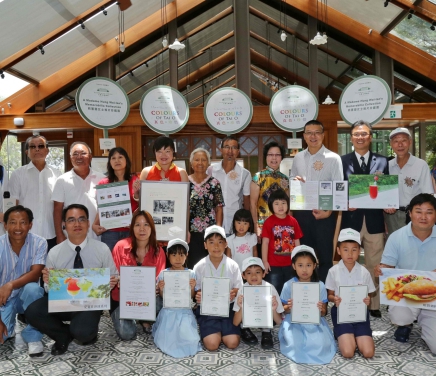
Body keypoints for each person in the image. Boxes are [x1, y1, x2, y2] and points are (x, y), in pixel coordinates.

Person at [25, 204, 118, 356]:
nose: (77, 224)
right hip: (62, 302)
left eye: (81, 219)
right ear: (64, 225)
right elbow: (48, 289)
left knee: (83, 333)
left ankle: (83, 329)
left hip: (89, 303)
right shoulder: (54, 252)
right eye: (71, 220)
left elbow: (114, 276)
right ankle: (62, 334)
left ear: (88, 223)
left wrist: (110, 282)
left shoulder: (102, 249)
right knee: (33, 311)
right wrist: (49, 281)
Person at [375, 193, 436, 353]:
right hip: (407, 296)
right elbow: (387, 267)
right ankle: (406, 324)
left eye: (429, 212)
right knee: (399, 316)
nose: (423, 217)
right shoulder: (396, 237)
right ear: (410, 213)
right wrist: (382, 270)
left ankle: (426, 321)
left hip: (434, 299)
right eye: (418, 211)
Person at [341, 120, 389, 318]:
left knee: (374, 263)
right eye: (356, 134)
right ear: (351, 137)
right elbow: (338, 189)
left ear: (370, 137)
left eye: (364, 134)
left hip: (374, 220)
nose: (360, 137)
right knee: (348, 261)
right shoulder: (342, 161)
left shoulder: (383, 161)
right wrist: (345, 202)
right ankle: (347, 300)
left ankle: (374, 304)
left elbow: (386, 190)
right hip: (350, 219)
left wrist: (388, 202)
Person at [291, 120, 344, 282]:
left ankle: (323, 300)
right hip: (302, 215)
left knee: (325, 257)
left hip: (324, 215)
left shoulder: (334, 158)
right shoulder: (298, 157)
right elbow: (293, 184)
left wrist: (328, 211)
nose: (313, 136)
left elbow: (339, 188)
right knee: (304, 257)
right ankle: (306, 296)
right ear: (304, 136)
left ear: (323, 135)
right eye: (309, 132)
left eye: (317, 132)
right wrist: (296, 181)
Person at [111, 210, 166, 337]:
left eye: (146, 225)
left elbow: (159, 279)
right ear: (132, 227)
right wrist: (118, 280)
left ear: (152, 228)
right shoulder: (120, 247)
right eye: (137, 225)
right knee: (127, 334)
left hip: (147, 299)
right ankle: (139, 318)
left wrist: (157, 286)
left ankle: (145, 319)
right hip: (122, 299)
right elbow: (112, 274)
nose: (142, 229)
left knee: (164, 302)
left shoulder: (158, 251)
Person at [0, 205, 46, 357]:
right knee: (3, 334)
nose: (18, 227)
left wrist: (11, 284)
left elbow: (36, 273)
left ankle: (33, 337)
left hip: (26, 295)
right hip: (2, 299)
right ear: (5, 225)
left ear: (30, 225)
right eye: (13, 222)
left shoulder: (40, 243)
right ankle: (9, 327)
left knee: (34, 289)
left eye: (23, 222)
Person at [279, 245, 336, 364]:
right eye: (300, 265)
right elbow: (283, 310)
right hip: (293, 321)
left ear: (314, 266)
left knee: (320, 344)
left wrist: (321, 309)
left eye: (308, 265)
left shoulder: (320, 285)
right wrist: (289, 307)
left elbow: (324, 312)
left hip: (314, 321)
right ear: (294, 266)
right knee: (295, 343)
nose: (304, 270)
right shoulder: (288, 285)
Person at [325, 228, 375, 359]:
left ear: (359, 251)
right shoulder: (333, 271)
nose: (350, 254)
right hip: (342, 314)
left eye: (354, 249)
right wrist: (334, 299)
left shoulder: (364, 272)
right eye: (345, 249)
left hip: (360, 315)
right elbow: (329, 295)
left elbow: (368, 294)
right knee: (348, 353)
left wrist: (367, 300)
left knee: (369, 353)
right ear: (339, 251)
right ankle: (342, 333)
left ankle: (355, 336)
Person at [194, 225, 243, 351]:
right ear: (205, 245)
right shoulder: (199, 266)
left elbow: (239, 288)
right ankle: (214, 331)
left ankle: (223, 331)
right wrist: (198, 295)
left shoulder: (233, 265)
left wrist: (234, 293)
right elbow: (196, 290)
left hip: (228, 309)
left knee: (232, 343)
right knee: (212, 345)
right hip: (208, 311)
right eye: (211, 242)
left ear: (226, 244)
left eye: (220, 242)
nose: (216, 246)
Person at [8, 135, 61, 251]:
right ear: (27, 152)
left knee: (49, 269)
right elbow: (12, 206)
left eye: (41, 146)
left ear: (47, 151)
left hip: (51, 234)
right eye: (33, 147)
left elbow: (60, 206)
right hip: (26, 235)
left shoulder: (57, 174)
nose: (37, 149)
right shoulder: (18, 174)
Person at [152, 238, 201, 358]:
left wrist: (192, 287)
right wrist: (161, 288)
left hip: (184, 310)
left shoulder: (191, 273)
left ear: (186, 255)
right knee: (168, 338)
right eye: (174, 255)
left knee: (188, 338)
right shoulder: (164, 274)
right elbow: (164, 297)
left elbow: (192, 297)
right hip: (169, 310)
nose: (178, 259)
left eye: (181, 255)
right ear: (168, 255)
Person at [52, 142, 105, 243]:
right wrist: (59, 235)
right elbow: (57, 210)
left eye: (83, 153)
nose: (79, 157)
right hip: (70, 237)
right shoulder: (62, 180)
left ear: (90, 157)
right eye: (75, 154)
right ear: (70, 157)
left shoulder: (102, 179)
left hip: (97, 236)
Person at [384, 127, 433, 235]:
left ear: (410, 142)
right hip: (391, 216)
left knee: (415, 246)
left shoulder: (421, 165)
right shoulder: (387, 166)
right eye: (396, 141)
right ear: (391, 144)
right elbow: (381, 192)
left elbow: (427, 195)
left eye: (403, 140)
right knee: (395, 245)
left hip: (414, 215)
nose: (400, 144)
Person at [92, 147, 140, 251]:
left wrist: (137, 193)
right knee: (110, 263)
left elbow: (142, 206)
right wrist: (95, 225)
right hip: (110, 232)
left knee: (129, 262)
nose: (117, 160)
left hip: (131, 230)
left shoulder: (136, 180)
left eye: (120, 157)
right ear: (109, 162)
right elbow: (102, 208)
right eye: (113, 158)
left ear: (126, 160)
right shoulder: (103, 183)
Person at [233, 257, 284, 349]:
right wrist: (241, 307)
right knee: (241, 311)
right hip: (247, 318)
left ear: (264, 273)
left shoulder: (270, 288)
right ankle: (244, 329)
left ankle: (266, 331)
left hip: (264, 318)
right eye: (249, 273)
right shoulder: (242, 290)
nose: (253, 276)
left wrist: (273, 310)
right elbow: (235, 322)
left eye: (257, 272)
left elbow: (279, 321)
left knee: (270, 310)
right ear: (243, 276)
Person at [188, 148, 224, 269]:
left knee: (209, 266)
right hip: (190, 233)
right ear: (191, 163)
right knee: (192, 264)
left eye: (204, 160)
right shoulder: (185, 182)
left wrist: (217, 231)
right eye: (197, 159)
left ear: (208, 163)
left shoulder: (214, 183)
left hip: (209, 233)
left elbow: (219, 208)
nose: (200, 163)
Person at [207, 136, 251, 235]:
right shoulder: (211, 171)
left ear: (238, 151)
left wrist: (246, 222)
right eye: (227, 147)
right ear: (221, 150)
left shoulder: (245, 174)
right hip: (214, 222)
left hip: (236, 224)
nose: (230, 151)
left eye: (234, 147)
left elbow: (246, 200)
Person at [261, 189, 303, 294]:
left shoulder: (293, 221)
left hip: (290, 264)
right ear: (271, 206)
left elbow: (297, 241)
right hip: (273, 265)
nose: (280, 206)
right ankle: (276, 311)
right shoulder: (268, 222)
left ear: (288, 204)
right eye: (277, 203)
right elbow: (265, 243)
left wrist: (298, 261)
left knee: (290, 291)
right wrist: (264, 261)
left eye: (283, 203)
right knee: (274, 291)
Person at [250, 141, 289, 242]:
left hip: (281, 224)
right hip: (262, 224)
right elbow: (252, 203)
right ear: (265, 157)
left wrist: (289, 225)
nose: (274, 158)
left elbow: (289, 204)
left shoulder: (285, 179)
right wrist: (255, 226)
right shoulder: (258, 177)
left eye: (277, 155)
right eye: (270, 155)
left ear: (282, 158)